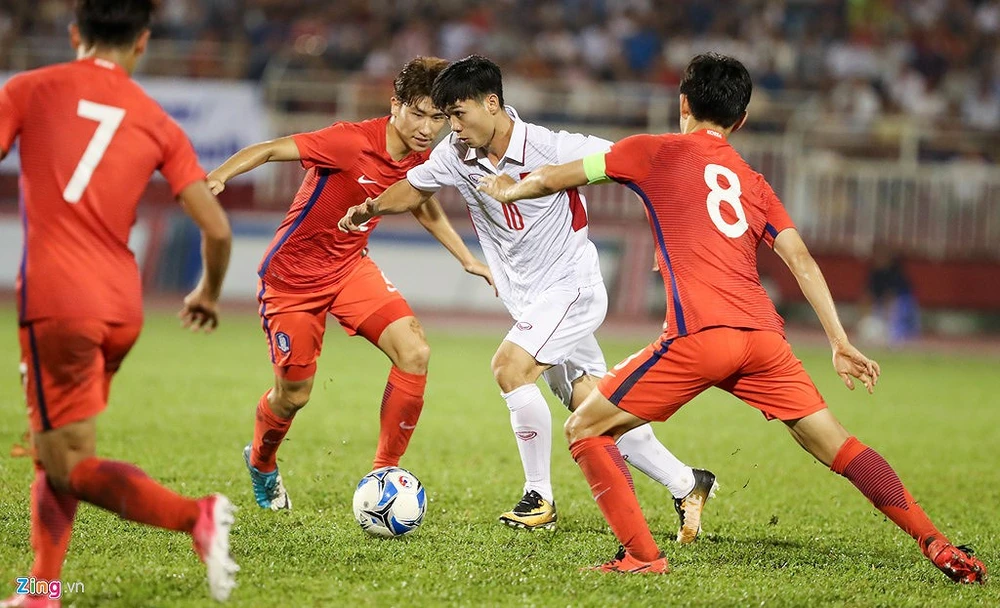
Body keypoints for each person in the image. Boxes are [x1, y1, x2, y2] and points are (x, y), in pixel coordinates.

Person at [475, 52, 987, 583]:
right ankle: (939, 545)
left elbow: (555, 178)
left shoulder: (652, 151)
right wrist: (839, 340)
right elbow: (801, 260)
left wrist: (509, 188)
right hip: (764, 339)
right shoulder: (752, 180)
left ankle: (642, 557)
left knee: (585, 427)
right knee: (839, 444)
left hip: (699, 336)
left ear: (683, 104)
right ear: (740, 120)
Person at [340, 55, 716, 538]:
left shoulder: (551, 147)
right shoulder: (456, 153)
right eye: (447, 117)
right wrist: (369, 208)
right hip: (530, 300)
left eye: (458, 114)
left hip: (572, 288)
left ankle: (539, 498)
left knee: (509, 367)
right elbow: (414, 190)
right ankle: (686, 482)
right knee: (591, 404)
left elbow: (637, 166)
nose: (452, 128)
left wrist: (671, 235)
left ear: (491, 104)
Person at [0, 1, 238, 605]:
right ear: (142, 42)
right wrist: (208, 293)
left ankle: (195, 515)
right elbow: (217, 229)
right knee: (56, 446)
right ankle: (41, 590)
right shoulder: (156, 120)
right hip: (121, 306)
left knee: (66, 462)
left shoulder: (29, 89)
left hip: (58, 301)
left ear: (75, 33)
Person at [207, 57, 493, 512]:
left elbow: (421, 202)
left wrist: (467, 258)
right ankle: (261, 462)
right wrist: (220, 175)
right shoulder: (348, 141)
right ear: (395, 104)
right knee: (293, 395)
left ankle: (384, 473)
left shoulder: (421, 157)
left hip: (349, 269)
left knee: (415, 352)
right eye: (417, 114)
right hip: (292, 280)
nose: (427, 129)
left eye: (438, 118)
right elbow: (270, 149)